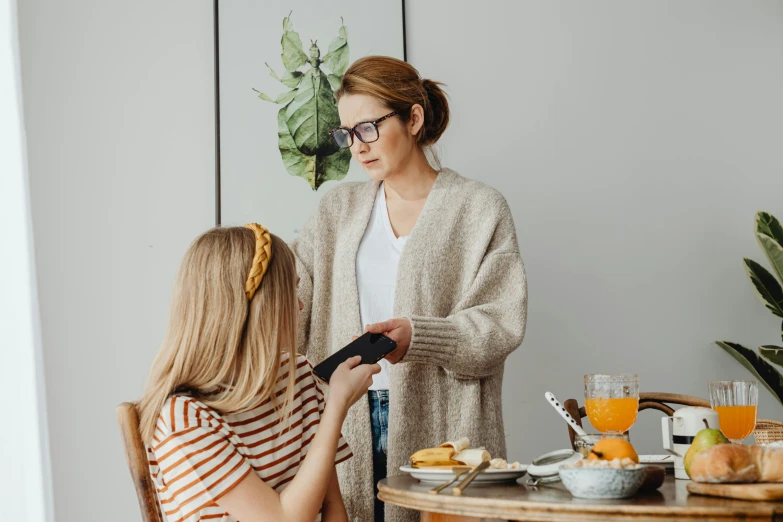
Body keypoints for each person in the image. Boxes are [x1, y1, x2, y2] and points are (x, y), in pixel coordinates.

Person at [294, 56, 528, 522]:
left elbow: (500, 326)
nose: (356, 147)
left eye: (367, 128)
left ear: (413, 118)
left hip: (447, 432)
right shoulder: (334, 210)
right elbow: (291, 300)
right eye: (345, 134)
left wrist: (419, 336)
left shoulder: (479, 208)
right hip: (345, 424)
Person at [137, 224, 380, 522]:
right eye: (291, 290)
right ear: (261, 306)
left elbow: (333, 508)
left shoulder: (297, 376)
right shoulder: (184, 417)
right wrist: (337, 405)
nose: (301, 305)